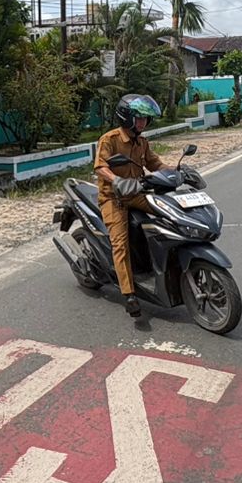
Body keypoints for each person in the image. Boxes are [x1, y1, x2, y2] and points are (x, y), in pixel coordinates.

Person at [93, 93, 168, 318]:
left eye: (145, 119)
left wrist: (179, 172)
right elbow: (100, 167)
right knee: (120, 243)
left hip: (136, 193)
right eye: (139, 118)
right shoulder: (110, 139)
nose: (143, 123)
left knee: (166, 212)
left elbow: (156, 164)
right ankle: (130, 294)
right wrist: (117, 180)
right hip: (114, 198)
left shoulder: (142, 142)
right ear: (126, 117)